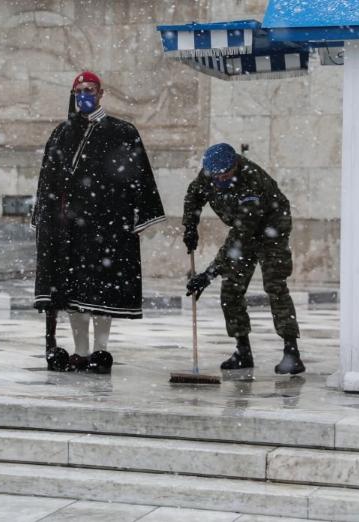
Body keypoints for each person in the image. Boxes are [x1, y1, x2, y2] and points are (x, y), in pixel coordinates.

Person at [32, 71, 166, 373]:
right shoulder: (61, 133)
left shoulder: (121, 131)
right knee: (72, 293)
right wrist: (45, 217)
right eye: (79, 90)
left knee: (101, 293)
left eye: (89, 89)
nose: (84, 95)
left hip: (106, 228)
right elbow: (47, 179)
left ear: (101, 93)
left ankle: (100, 350)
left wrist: (137, 216)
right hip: (69, 229)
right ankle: (79, 351)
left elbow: (139, 176)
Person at [182, 143, 305, 375]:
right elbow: (194, 194)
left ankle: (292, 352)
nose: (219, 181)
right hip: (243, 230)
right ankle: (243, 352)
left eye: (224, 176)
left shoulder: (252, 182)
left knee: (275, 285)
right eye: (215, 177)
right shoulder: (211, 172)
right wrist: (190, 226)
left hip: (271, 229)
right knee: (231, 290)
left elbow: (238, 238)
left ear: (235, 165)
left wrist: (208, 275)